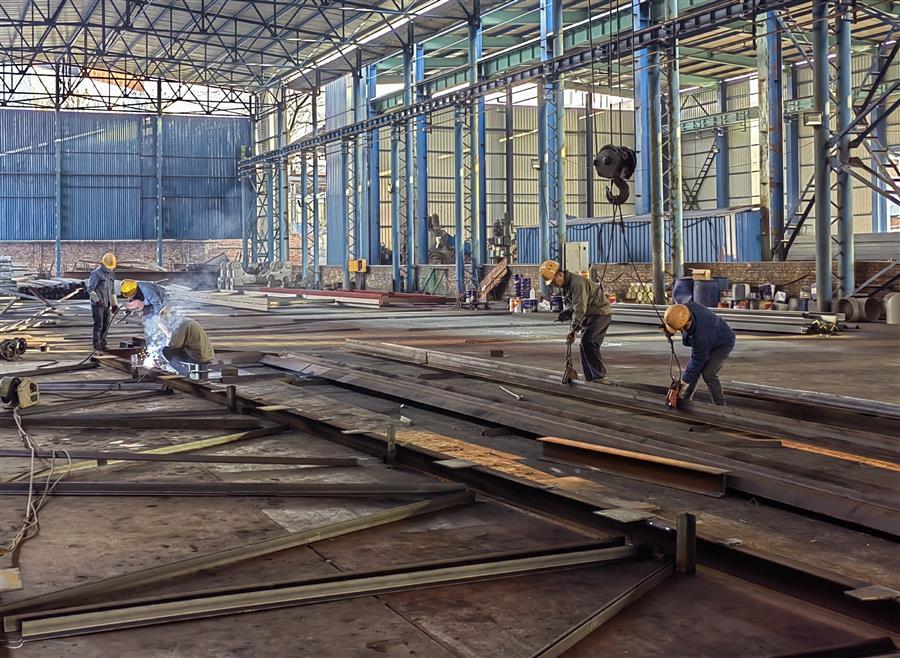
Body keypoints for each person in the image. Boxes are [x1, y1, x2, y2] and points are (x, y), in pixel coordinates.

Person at [540, 259, 612, 381]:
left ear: (560, 275)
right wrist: (568, 312)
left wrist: (574, 330)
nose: (554, 285)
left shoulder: (576, 284)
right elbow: (573, 306)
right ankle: (590, 378)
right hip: (590, 314)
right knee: (584, 345)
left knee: (589, 342)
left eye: (554, 282)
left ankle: (599, 376)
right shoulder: (566, 286)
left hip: (600, 313)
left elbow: (580, 308)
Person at [664, 302, 736, 406]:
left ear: (687, 324)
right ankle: (684, 400)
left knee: (708, 374)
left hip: (723, 343)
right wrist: (669, 328)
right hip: (711, 336)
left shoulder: (701, 336)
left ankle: (721, 406)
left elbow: (697, 360)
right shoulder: (683, 310)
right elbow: (675, 316)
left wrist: (684, 382)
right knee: (695, 371)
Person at [158, 306, 215, 376]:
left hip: (198, 357)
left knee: (166, 351)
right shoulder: (186, 321)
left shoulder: (180, 325)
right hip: (206, 355)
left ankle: (184, 371)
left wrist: (167, 332)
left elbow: (174, 345)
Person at [86, 252, 119, 350]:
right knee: (98, 325)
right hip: (98, 305)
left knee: (106, 325)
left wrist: (114, 304)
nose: (110, 268)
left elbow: (112, 291)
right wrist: (97, 300)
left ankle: (103, 344)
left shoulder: (111, 274)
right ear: (103, 264)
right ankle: (97, 344)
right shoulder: (96, 274)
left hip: (107, 304)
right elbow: (90, 289)